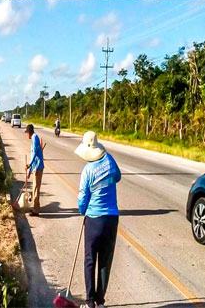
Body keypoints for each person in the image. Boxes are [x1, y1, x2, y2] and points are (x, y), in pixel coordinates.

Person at [75, 131, 122, 308]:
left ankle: (89, 302)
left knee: (90, 260)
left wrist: (83, 211)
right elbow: (118, 177)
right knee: (105, 260)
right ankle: (100, 301)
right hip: (112, 219)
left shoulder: (87, 170)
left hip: (94, 219)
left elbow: (82, 199)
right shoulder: (109, 160)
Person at [25, 124, 45, 216]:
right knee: (34, 188)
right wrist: (29, 171)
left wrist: (29, 165)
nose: (26, 135)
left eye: (26, 133)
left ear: (29, 132)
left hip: (38, 167)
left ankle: (36, 210)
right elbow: (35, 155)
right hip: (36, 166)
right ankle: (35, 207)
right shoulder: (34, 138)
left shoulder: (35, 139)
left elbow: (34, 155)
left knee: (36, 188)